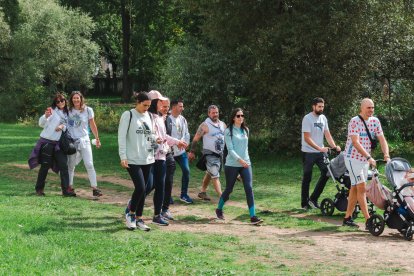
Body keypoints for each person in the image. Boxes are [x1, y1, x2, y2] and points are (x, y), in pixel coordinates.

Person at [342, 98, 390, 227]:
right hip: (352, 158)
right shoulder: (354, 121)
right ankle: (368, 220)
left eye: (373, 107)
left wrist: (386, 154)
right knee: (362, 188)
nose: (371, 110)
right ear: (362, 108)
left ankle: (347, 218)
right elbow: (355, 142)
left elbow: (382, 139)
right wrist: (369, 157)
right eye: (369, 107)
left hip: (364, 159)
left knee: (354, 187)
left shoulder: (375, 121)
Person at [215, 108, 263, 224]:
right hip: (232, 164)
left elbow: (245, 148)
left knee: (249, 188)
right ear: (233, 118)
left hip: (246, 163)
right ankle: (219, 209)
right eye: (238, 116)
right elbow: (230, 149)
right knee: (229, 189)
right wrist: (240, 160)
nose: (240, 117)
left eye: (242, 115)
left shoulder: (246, 130)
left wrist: (245, 161)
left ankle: (253, 216)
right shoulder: (228, 131)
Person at [146, 90, 187, 225]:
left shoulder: (159, 117)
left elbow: (164, 137)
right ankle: (133, 207)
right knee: (149, 184)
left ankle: (159, 213)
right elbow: (148, 137)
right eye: (160, 102)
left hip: (163, 155)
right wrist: (156, 141)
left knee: (162, 184)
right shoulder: (147, 117)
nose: (164, 106)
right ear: (154, 102)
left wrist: (176, 142)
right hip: (151, 156)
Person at [119, 92, 156, 231]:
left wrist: (155, 141)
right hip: (132, 159)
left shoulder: (150, 116)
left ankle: (140, 219)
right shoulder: (128, 115)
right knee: (140, 187)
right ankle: (131, 214)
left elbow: (150, 135)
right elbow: (121, 137)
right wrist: (123, 156)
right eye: (144, 105)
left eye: (149, 105)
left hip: (147, 158)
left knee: (145, 189)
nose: (147, 108)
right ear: (137, 102)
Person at [28, 93, 76, 197]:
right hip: (47, 143)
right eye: (57, 101)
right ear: (55, 103)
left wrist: (63, 126)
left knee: (64, 166)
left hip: (59, 145)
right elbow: (41, 124)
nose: (60, 103)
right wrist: (45, 116)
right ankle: (39, 189)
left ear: (65, 101)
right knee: (45, 166)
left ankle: (66, 191)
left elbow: (71, 125)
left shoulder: (69, 113)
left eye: (62, 100)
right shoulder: (52, 111)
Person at [301, 97, 341, 210]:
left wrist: (334, 146)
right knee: (307, 177)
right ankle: (304, 203)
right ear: (313, 106)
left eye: (322, 107)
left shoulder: (323, 118)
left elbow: (327, 134)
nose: (321, 109)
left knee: (327, 173)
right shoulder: (307, 118)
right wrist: (319, 148)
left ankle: (313, 199)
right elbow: (307, 138)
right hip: (308, 152)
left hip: (320, 152)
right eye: (319, 106)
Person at [67, 91, 102, 197]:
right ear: (71, 100)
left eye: (77, 98)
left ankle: (95, 188)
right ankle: (70, 187)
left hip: (84, 140)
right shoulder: (68, 111)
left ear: (81, 99)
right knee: (71, 165)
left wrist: (97, 138)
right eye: (74, 98)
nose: (76, 100)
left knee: (89, 164)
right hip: (72, 141)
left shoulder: (88, 110)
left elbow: (92, 124)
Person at [188, 105, 226, 200]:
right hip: (209, 154)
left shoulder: (223, 124)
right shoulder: (204, 125)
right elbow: (196, 139)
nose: (215, 114)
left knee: (209, 173)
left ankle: (203, 192)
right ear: (209, 113)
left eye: (216, 112)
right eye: (213, 113)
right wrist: (192, 152)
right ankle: (222, 197)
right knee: (215, 174)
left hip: (220, 154)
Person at [167, 99, 193, 204]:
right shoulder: (167, 119)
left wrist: (186, 144)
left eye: (182, 106)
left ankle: (184, 194)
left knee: (186, 171)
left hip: (181, 151)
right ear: (173, 107)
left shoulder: (182, 119)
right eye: (180, 106)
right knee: (169, 174)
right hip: (170, 151)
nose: (182, 108)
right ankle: (167, 196)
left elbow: (186, 133)